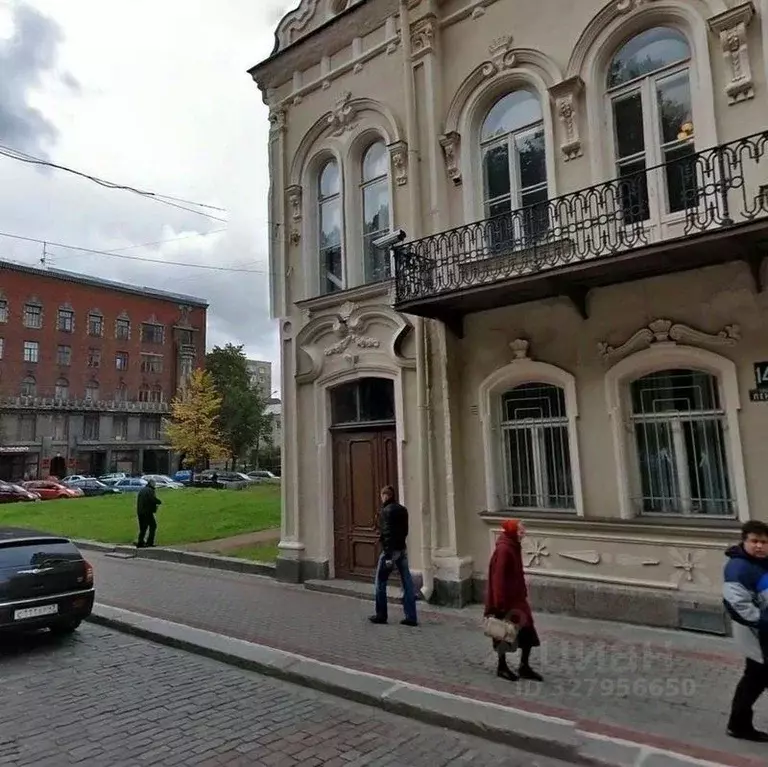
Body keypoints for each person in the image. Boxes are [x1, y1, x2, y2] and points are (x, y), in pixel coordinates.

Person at [723, 520, 768, 741]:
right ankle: (738, 725)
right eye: (755, 541)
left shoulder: (763, 563)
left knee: (755, 679)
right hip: (757, 635)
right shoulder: (739, 568)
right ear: (745, 541)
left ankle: (738, 724)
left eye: (764, 542)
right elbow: (738, 607)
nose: (759, 546)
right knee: (754, 679)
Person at [484, 519, 542, 682]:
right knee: (502, 632)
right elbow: (498, 578)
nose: (524, 534)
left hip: (517, 598)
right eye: (520, 531)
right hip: (506, 600)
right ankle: (502, 667)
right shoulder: (504, 549)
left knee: (527, 629)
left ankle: (524, 666)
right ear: (512, 532)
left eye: (523, 531)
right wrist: (499, 603)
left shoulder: (513, 546)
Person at [369, 485, 418, 627]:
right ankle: (411, 617)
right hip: (402, 549)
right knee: (407, 582)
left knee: (380, 582)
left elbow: (387, 534)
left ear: (386, 496)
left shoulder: (386, 511)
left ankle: (381, 614)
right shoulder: (403, 510)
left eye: (382, 495)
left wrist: (389, 556)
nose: (381, 498)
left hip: (390, 551)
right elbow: (405, 531)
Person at [136, 478, 162, 548]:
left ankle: (140, 542)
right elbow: (152, 499)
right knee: (153, 526)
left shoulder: (142, 490)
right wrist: (159, 502)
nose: (155, 485)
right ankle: (149, 542)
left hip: (140, 511)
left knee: (143, 528)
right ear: (151, 483)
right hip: (147, 512)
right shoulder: (150, 490)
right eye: (154, 483)